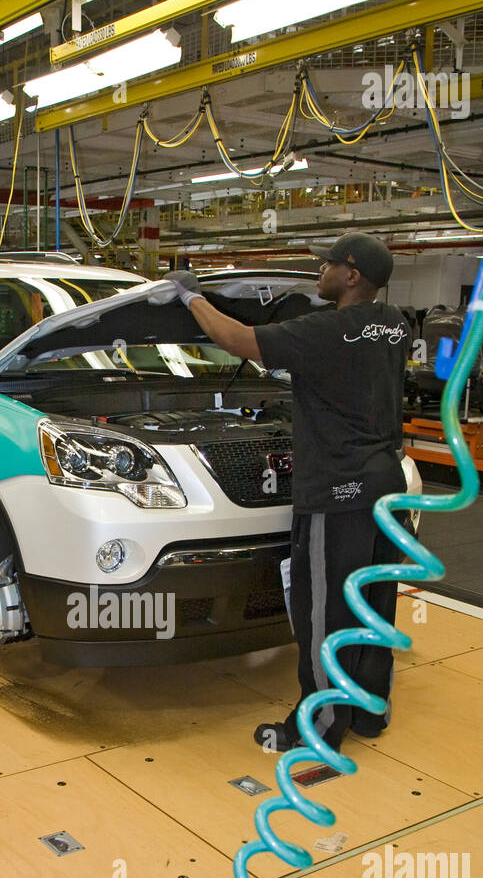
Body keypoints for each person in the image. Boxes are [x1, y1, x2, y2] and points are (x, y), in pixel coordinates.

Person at [165, 233, 410, 754]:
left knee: (325, 613)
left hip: (339, 493)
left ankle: (318, 729)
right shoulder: (397, 325)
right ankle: (370, 712)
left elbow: (237, 341)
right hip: (387, 487)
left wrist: (191, 296)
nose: (318, 270)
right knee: (373, 605)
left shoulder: (326, 331)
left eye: (327, 264)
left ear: (351, 275)